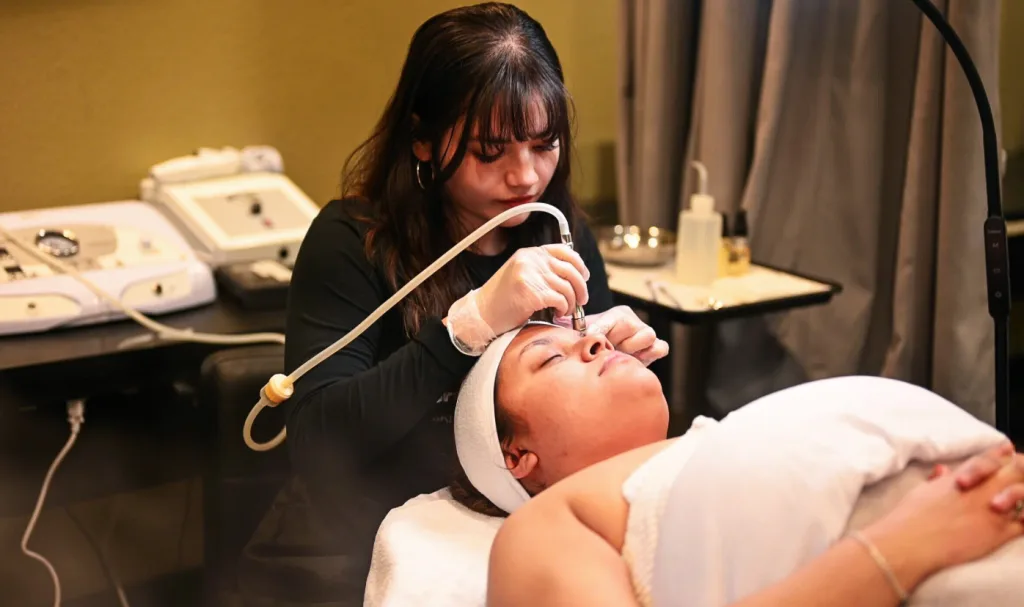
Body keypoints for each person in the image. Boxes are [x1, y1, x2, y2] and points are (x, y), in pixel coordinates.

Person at [239, 4, 668, 605]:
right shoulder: (353, 242)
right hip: (357, 544)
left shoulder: (559, 231)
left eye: (544, 144)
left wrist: (616, 357)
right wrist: (467, 327)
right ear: (421, 138)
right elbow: (319, 445)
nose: (526, 177)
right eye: (490, 152)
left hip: (518, 524)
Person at [439, 322, 1024, 606]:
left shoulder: (718, 440)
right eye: (550, 358)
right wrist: (904, 546)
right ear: (517, 457)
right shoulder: (540, 531)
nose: (593, 341)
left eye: (583, 333)